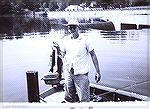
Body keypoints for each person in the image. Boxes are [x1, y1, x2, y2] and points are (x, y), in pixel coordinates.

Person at [53, 19, 101, 102]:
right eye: (70, 27)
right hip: (68, 73)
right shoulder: (65, 40)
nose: (72, 29)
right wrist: (57, 49)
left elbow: (93, 55)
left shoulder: (85, 40)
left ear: (78, 27)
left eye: (73, 27)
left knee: (84, 100)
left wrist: (98, 72)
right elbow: (62, 56)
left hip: (81, 74)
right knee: (69, 98)